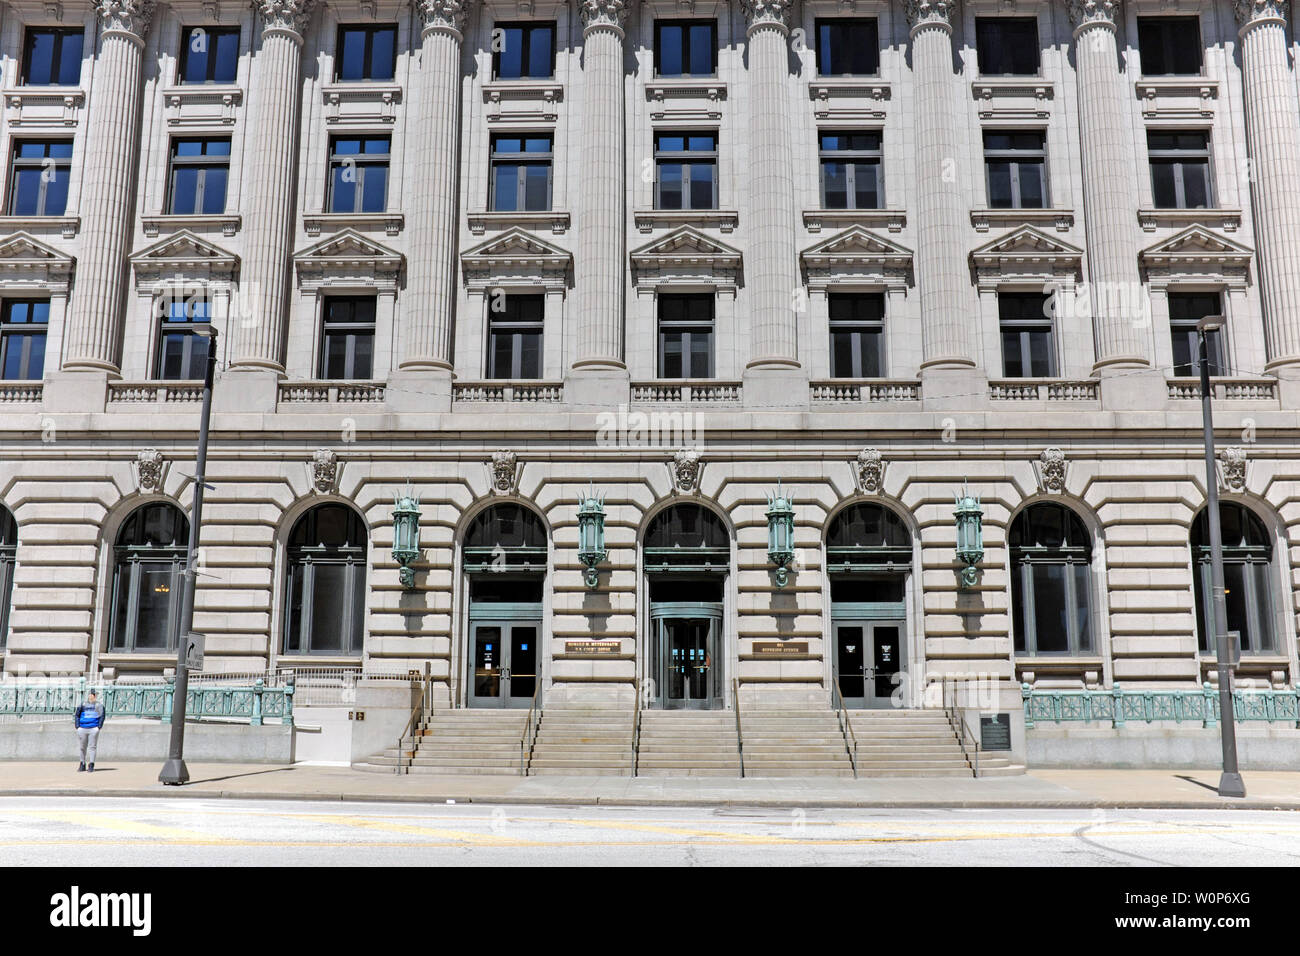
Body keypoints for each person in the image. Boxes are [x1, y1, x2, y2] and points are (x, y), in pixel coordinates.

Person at [74, 691, 105, 772]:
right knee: (82, 747)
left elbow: (102, 716)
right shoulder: (82, 704)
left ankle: (91, 764)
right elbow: (77, 714)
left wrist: (99, 727)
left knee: (92, 747)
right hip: (82, 727)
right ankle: (82, 763)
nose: (91, 696)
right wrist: (77, 726)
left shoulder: (99, 705)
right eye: (90, 695)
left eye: (93, 695)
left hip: (93, 728)